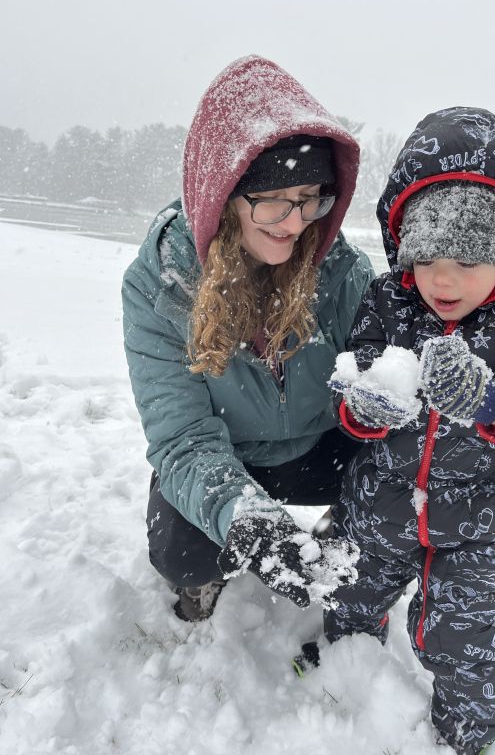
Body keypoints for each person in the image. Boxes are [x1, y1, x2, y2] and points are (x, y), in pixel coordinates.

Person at [299, 107, 495, 754]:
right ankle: (337, 681)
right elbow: (357, 369)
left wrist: (494, 405)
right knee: (352, 593)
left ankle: (471, 733)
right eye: (425, 257)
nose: (442, 279)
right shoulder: (390, 298)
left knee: (463, 636)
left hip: (480, 517)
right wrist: (365, 406)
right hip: (382, 500)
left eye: (465, 259)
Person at [122, 55, 374, 622]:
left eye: (311, 197)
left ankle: (347, 535)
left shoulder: (345, 274)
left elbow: (398, 383)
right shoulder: (160, 285)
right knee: (183, 554)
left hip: (318, 447)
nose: (295, 221)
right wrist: (245, 517)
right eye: (273, 199)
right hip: (224, 454)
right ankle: (210, 569)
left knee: (395, 482)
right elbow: (181, 435)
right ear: (223, 195)